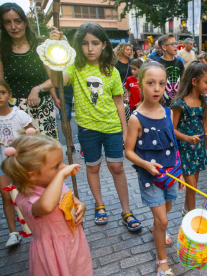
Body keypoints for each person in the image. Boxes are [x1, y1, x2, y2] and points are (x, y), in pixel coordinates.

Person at [49, 23, 141, 231]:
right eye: (84, 43)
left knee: (117, 167)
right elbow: (56, 80)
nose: (90, 48)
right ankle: (99, 205)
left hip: (112, 128)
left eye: (95, 43)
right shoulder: (74, 68)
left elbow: (119, 103)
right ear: (78, 46)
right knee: (93, 167)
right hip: (87, 130)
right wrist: (52, 51)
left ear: (104, 45)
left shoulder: (112, 71)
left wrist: (126, 131)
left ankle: (126, 210)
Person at [2, 133, 93, 275]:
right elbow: (46, 206)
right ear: (32, 175)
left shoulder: (55, 183)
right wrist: (60, 175)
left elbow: (69, 198)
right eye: (57, 166)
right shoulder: (27, 199)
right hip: (53, 253)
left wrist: (80, 205)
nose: (63, 167)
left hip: (74, 242)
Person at [125, 61, 183, 276]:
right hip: (150, 177)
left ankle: (157, 228)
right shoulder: (135, 118)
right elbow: (128, 151)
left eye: (161, 83)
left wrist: (178, 173)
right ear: (140, 85)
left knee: (166, 211)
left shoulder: (168, 112)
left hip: (170, 175)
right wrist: (145, 164)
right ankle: (162, 261)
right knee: (163, 219)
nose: (157, 88)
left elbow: (173, 145)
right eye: (151, 83)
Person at [0, 3, 59, 139]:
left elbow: (54, 79)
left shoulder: (41, 45)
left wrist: (37, 88)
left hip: (42, 107)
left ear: (25, 22)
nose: (14, 27)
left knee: (46, 152)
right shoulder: (2, 51)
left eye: (18, 21)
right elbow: (1, 84)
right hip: (14, 110)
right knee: (22, 154)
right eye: (8, 22)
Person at [171, 61, 207, 214]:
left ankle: (186, 209)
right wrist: (187, 138)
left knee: (194, 184)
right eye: (206, 82)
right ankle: (191, 217)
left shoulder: (205, 101)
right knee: (192, 186)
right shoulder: (180, 103)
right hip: (184, 149)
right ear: (194, 81)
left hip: (198, 149)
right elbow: (172, 129)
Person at [0, 80, 33, 248]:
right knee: (6, 196)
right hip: (1, 164)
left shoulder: (19, 114)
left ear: (10, 95)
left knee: (26, 192)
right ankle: (13, 232)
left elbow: (31, 134)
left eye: (2, 92)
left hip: (20, 162)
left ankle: (34, 225)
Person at [158, 34, 185, 106]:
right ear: (164, 47)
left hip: (177, 102)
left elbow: (183, 80)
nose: (176, 46)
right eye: (173, 44)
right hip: (162, 103)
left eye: (176, 43)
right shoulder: (158, 64)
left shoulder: (179, 62)